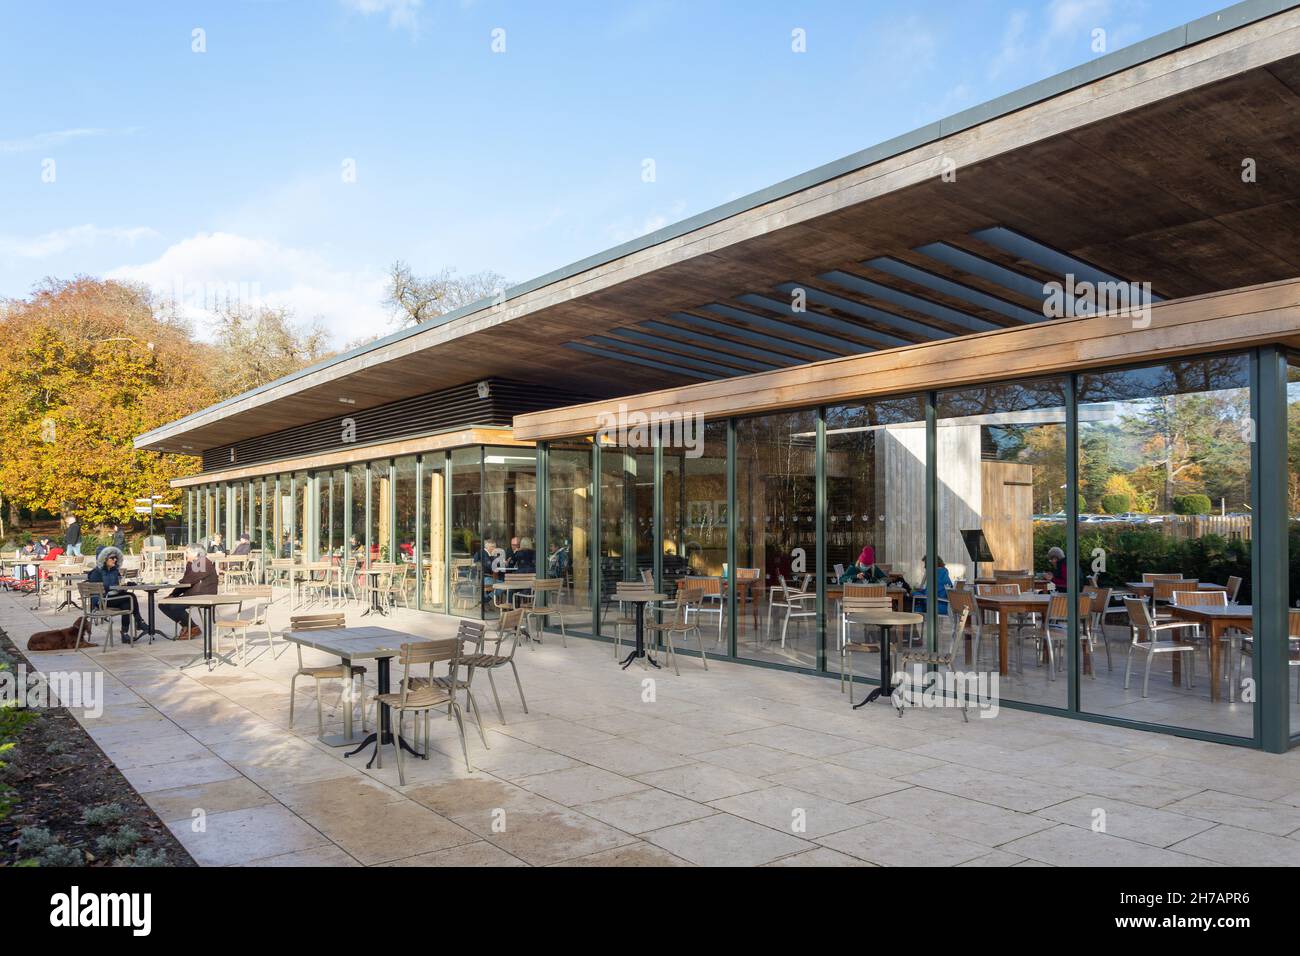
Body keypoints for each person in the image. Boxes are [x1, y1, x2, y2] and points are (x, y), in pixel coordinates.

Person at [85, 546, 148, 643]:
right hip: (101, 601)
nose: (115, 560)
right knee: (131, 597)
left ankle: (125, 634)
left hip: (112, 598)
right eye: (112, 558)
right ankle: (139, 622)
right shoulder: (96, 573)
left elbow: (118, 586)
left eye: (116, 558)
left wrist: (126, 585)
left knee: (127, 605)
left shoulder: (114, 571)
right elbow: (101, 590)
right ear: (104, 559)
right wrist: (115, 587)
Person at [159, 546, 218, 640]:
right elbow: (187, 582)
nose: (186, 554)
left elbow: (187, 581)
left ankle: (193, 628)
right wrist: (173, 594)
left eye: (188, 552)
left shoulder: (203, 563)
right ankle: (188, 626)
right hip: (194, 593)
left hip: (202, 595)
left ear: (195, 554)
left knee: (174, 606)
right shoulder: (194, 563)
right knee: (163, 604)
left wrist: (174, 595)